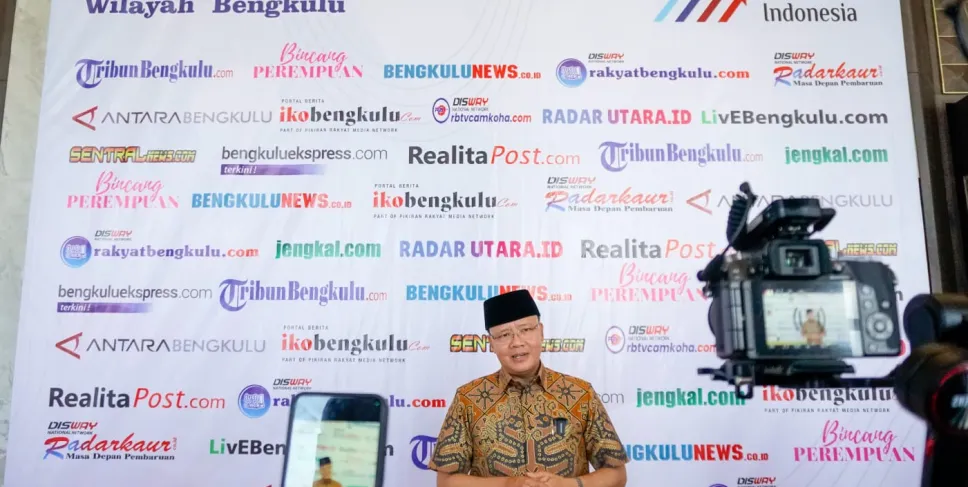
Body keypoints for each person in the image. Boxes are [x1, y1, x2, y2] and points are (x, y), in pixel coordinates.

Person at [429, 289, 628, 487]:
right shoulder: (468, 399)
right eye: (504, 335)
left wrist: (568, 485)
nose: (517, 342)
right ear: (491, 343)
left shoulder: (580, 394)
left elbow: (617, 474)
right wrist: (509, 484)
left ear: (541, 332)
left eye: (525, 330)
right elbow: (446, 481)